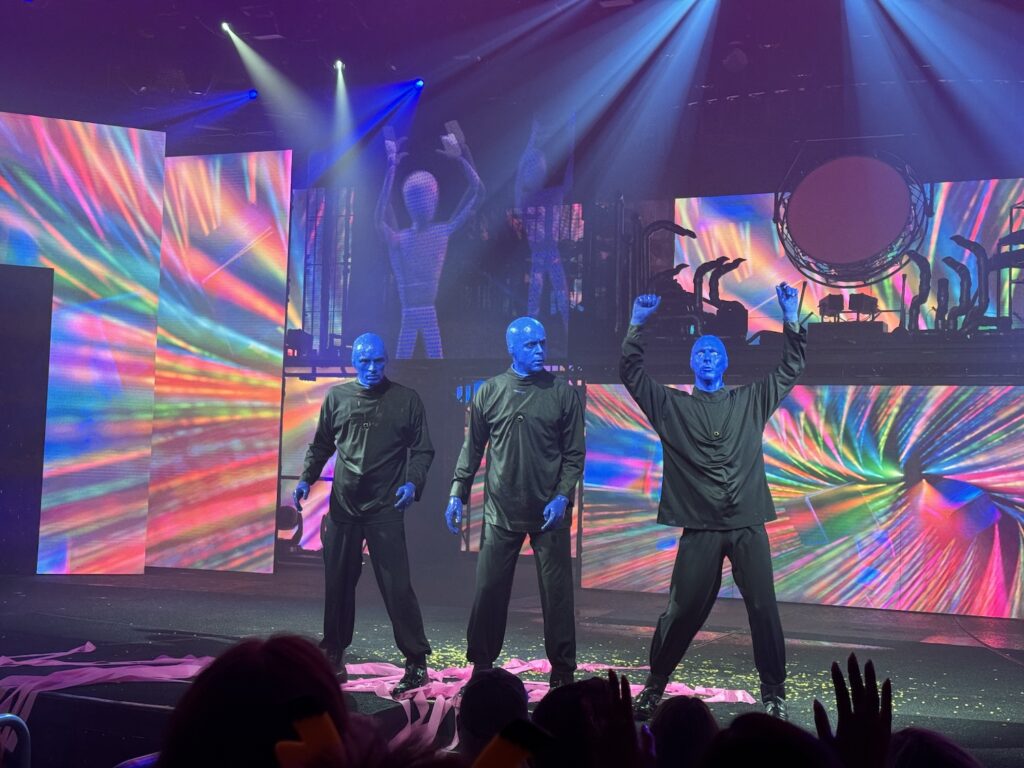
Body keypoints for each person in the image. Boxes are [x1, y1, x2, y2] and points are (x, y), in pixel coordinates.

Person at [622, 283, 806, 721]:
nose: (707, 356)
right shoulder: (671, 406)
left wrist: (791, 316)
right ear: (692, 362)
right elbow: (632, 375)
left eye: (714, 352)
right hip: (700, 526)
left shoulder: (749, 400)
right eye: (700, 352)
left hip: (747, 523)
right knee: (683, 610)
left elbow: (790, 367)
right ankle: (654, 685)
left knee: (763, 607)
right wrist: (636, 325)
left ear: (724, 362)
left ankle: (774, 692)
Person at [445, 317, 585, 688]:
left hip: (549, 512)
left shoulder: (562, 393)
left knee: (556, 595)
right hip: (501, 510)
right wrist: (457, 490)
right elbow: (472, 448)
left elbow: (574, 455)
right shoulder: (490, 392)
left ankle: (563, 670)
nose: (540, 350)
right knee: (489, 590)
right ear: (511, 348)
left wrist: (561, 496)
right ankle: (482, 664)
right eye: (531, 345)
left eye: (542, 343)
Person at [294, 332, 434, 696]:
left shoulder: (405, 400)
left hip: (385, 508)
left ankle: (416, 661)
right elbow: (322, 443)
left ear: (386, 361)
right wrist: (306, 479)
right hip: (344, 507)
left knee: (396, 586)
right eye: (365, 361)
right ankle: (334, 655)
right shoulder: (337, 397)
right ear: (354, 361)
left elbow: (422, 451)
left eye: (379, 361)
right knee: (338, 583)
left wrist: (412, 484)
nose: (373, 368)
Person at [376, 126, 484, 359]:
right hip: (411, 312)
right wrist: (391, 168)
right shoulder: (404, 239)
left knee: (431, 361)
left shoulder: (438, 233)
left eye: (426, 196)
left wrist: (462, 158)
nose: (423, 202)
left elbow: (478, 193)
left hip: (426, 312)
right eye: (418, 197)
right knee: (409, 361)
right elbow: (378, 216)